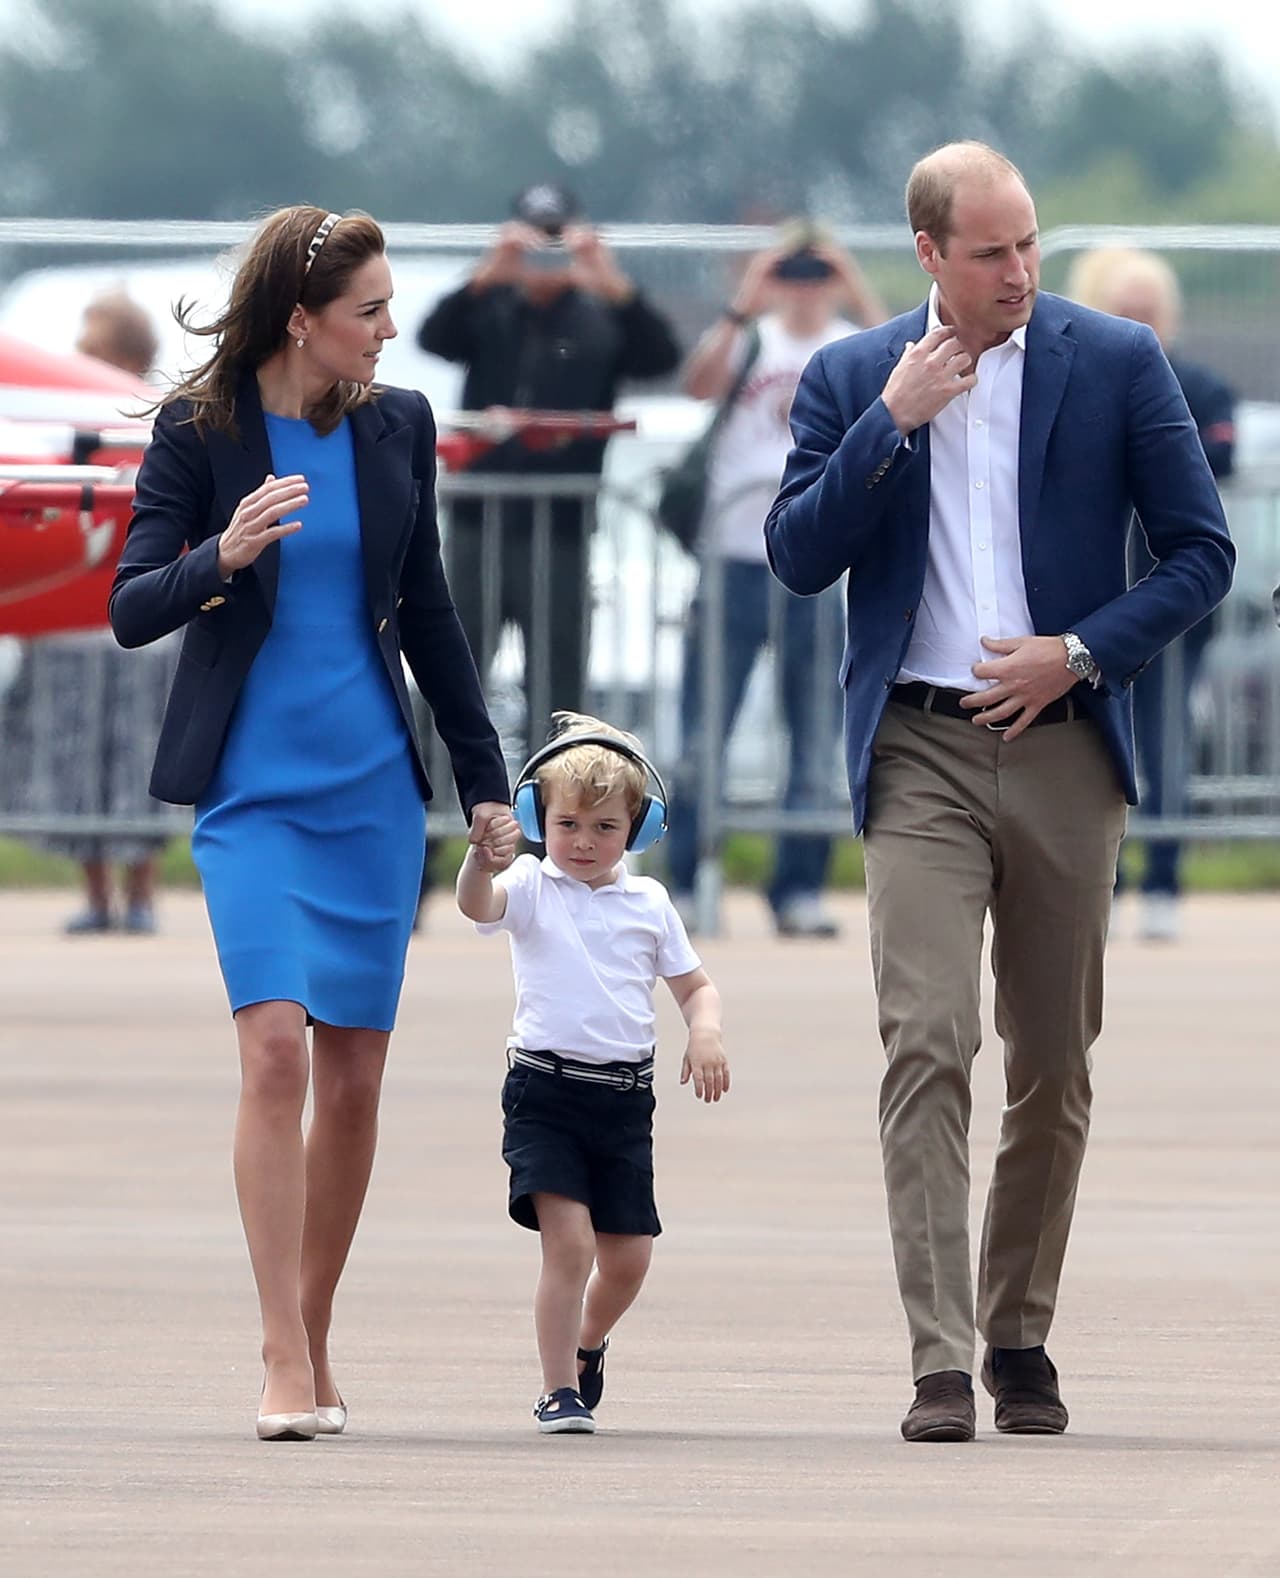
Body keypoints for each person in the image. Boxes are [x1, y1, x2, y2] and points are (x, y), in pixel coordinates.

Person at [765, 142, 1234, 1443]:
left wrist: (1078, 651)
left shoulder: (1116, 362)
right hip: (916, 748)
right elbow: (798, 554)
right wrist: (890, 423)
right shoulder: (854, 375)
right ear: (928, 254)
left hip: (1067, 740)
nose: (1020, 271)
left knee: (1053, 1060)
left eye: (1029, 244)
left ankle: (1018, 1327)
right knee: (928, 1040)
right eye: (991, 251)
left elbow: (1203, 555)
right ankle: (936, 1356)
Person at [109, 205, 519, 1442]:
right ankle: (280, 1352)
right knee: (274, 1051)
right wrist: (219, 555)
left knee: (351, 1078)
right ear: (302, 318)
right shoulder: (201, 431)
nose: (389, 331)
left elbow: (432, 613)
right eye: (370, 312)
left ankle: (316, 1322)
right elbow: (133, 605)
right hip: (251, 796)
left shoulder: (397, 425)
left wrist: (483, 779)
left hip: (368, 797)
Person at [456, 711, 728, 1434]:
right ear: (538, 817)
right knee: (570, 1244)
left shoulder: (649, 903)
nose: (583, 841)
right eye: (569, 822)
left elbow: (696, 986)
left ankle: (587, 1342)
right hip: (544, 1092)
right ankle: (556, 1389)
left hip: (623, 1102)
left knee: (630, 1258)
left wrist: (704, 1031)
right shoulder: (531, 886)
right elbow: (478, 906)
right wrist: (478, 863)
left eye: (605, 827)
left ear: (637, 829)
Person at [667, 220, 887, 937]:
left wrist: (852, 281)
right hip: (732, 557)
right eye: (793, 271)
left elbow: (906, 367)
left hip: (816, 564)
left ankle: (796, 885)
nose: (803, 284)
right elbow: (697, 384)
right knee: (705, 732)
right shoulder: (753, 338)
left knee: (815, 735)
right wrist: (744, 299)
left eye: (813, 270)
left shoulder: (850, 341)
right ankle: (690, 876)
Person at [417, 183, 681, 755]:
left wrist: (613, 285)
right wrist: (490, 271)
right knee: (450, 673)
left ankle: (554, 818)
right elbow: (431, 336)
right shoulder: (490, 304)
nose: (545, 254)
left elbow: (662, 356)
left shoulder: (600, 315)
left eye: (558, 239)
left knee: (558, 682)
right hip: (476, 520)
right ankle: (431, 826)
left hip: (558, 526)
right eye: (535, 238)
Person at [1065, 248, 1237, 942]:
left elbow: (1220, 453)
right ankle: (1103, 878)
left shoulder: (1201, 384)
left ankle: (1164, 876)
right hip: (1093, 600)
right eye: (1123, 311)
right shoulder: (1078, 381)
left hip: (1177, 608)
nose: (1139, 324)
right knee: (1093, 749)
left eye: (1148, 311)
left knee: (1167, 748)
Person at [0, 290, 175, 934]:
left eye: (92, 346)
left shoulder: (158, 421)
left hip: (141, 635)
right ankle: (100, 895)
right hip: (72, 635)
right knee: (78, 763)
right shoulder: (62, 424)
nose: (78, 356)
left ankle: (140, 895)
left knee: (140, 764)